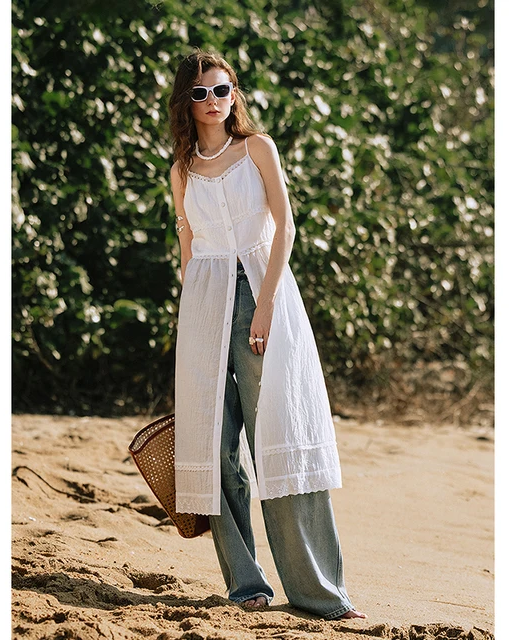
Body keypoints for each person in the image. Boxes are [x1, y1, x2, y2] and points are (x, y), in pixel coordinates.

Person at [167, 49, 366, 621]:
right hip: (203, 303)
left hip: (261, 291)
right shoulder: (181, 169)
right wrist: (192, 320)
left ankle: (318, 592)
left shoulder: (257, 148)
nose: (213, 102)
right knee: (214, 443)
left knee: (280, 432)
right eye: (200, 93)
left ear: (234, 93)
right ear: (185, 102)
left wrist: (267, 305)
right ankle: (245, 583)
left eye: (221, 89)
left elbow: (286, 226)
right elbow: (188, 246)